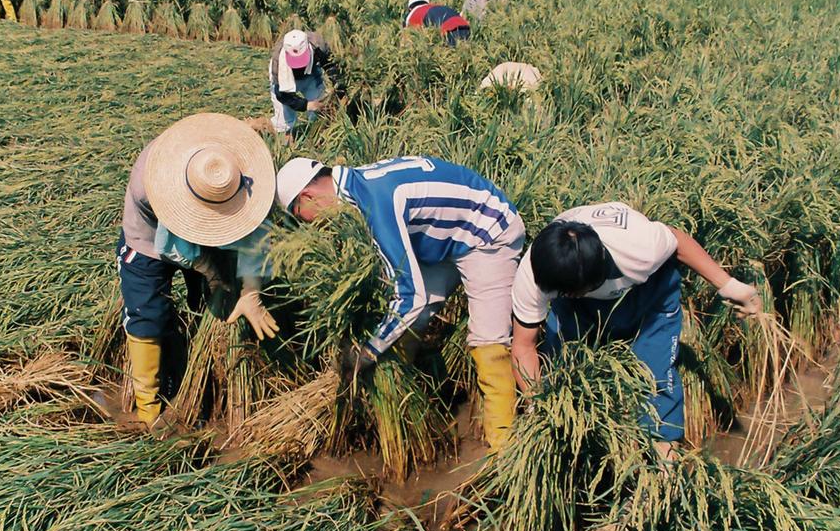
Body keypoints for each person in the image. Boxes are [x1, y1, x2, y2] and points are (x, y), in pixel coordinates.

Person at [277, 155, 525, 450]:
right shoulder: (356, 188)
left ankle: (502, 449)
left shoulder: (375, 202)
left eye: (298, 213)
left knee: (487, 343)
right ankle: (401, 394)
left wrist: (368, 352)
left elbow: (411, 297)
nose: (308, 224)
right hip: (443, 238)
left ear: (307, 197)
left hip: (487, 233)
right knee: (408, 325)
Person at [510, 202, 764, 456]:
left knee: (656, 377)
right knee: (566, 376)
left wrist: (728, 284)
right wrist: (538, 403)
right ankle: (586, 457)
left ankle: (663, 471)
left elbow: (678, 241)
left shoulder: (638, 248)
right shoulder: (535, 274)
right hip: (576, 303)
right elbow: (523, 346)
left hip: (650, 293)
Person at [118, 113, 280, 430]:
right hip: (150, 239)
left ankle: (192, 342)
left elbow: (257, 235)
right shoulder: (154, 187)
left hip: (205, 211)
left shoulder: (231, 170)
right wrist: (209, 270)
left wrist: (251, 292)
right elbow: (171, 248)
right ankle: (148, 407)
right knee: (148, 312)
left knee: (205, 297)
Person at [267, 29, 339, 140]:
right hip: (285, 77)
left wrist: (337, 85)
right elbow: (282, 95)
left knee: (319, 105)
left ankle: (319, 134)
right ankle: (285, 138)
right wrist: (306, 105)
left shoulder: (318, 44)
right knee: (284, 116)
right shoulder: (278, 62)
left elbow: (330, 65)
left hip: (310, 74)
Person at [404, 0, 471, 47]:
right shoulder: (438, 6)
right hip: (465, 27)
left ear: (410, 8)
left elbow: (409, 37)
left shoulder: (412, 14)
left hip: (449, 31)